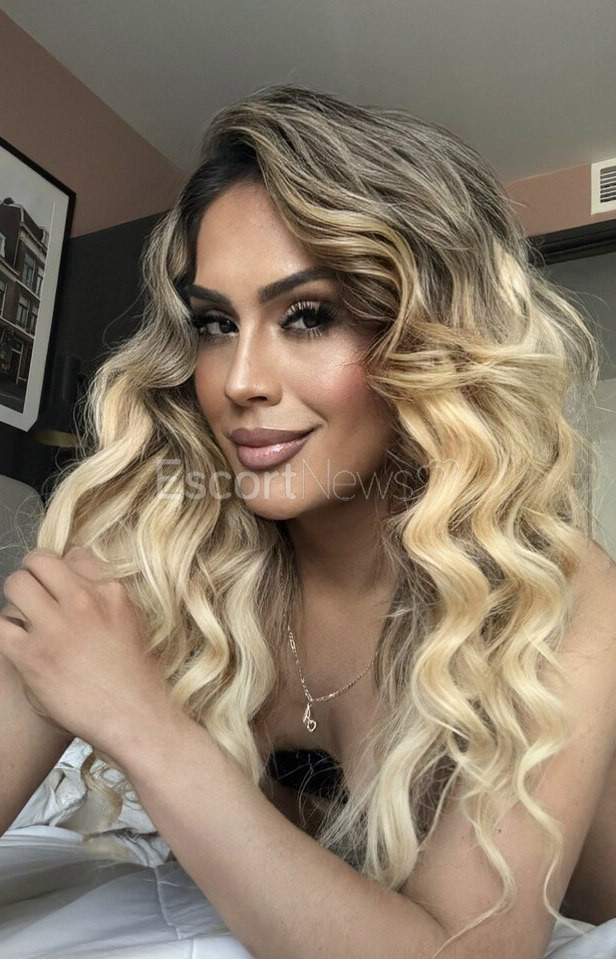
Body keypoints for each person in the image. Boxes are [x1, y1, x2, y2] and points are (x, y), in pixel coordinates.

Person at [0, 81, 615, 959]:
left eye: (308, 315)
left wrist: (147, 725)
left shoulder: (553, 588)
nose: (240, 380)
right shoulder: (160, 535)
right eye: (216, 323)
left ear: (431, 336)